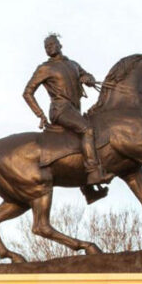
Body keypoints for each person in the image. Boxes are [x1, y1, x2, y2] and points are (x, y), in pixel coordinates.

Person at [23, 33, 109, 185]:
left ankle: (88, 189)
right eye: (46, 47)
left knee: (81, 140)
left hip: (74, 110)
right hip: (60, 110)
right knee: (87, 130)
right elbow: (27, 93)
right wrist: (40, 115)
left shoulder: (73, 64)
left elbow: (87, 75)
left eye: (51, 45)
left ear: (59, 45)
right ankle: (94, 172)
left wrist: (88, 79)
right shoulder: (44, 68)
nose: (48, 49)